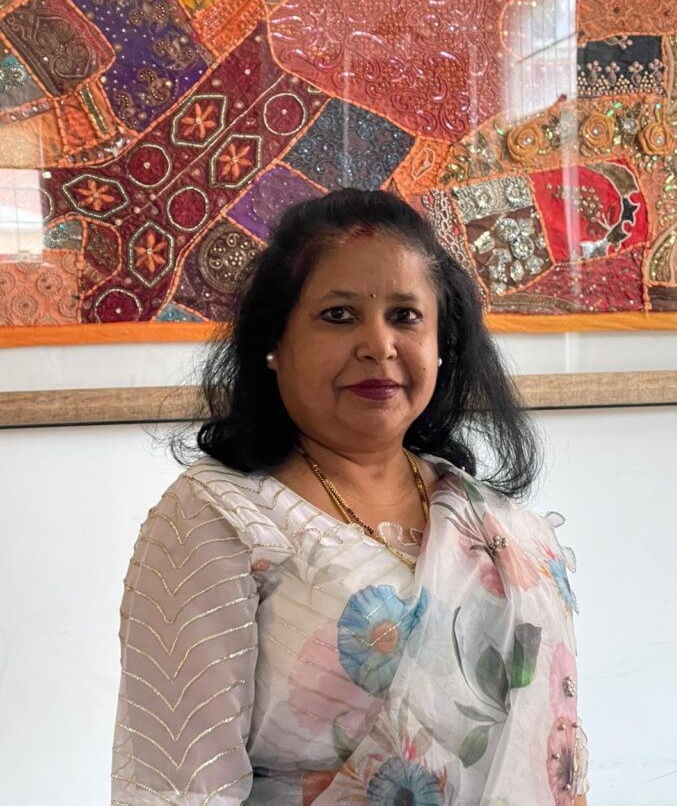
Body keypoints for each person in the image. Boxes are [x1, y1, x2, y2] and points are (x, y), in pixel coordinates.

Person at [111, 188, 589, 805]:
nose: (378, 345)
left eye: (405, 316)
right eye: (339, 315)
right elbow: (177, 789)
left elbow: (552, 745)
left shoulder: (496, 524)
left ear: (442, 345)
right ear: (274, 342)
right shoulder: (218, 515)